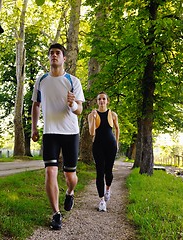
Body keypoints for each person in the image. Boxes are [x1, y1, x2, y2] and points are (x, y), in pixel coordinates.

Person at [31, 43, 85, 230]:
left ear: (64, 58)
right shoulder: (41, 80)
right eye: (52, 53)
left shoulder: (73, 81)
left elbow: (80, 110)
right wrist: (34, 128)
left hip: (70, 133)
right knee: (50, 171)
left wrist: (72, 105)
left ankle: (70, 192)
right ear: (49, 58)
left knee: (70, 175)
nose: (54, 56)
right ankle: (56, 214)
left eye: (58, 53)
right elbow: (36, 105)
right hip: (50, 132)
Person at [88, 92, 119, 212]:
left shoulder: (113, 114)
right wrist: (94, 118)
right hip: (98, 146)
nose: (101, 101)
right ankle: (101, 200)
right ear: (97, 101)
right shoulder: (92, 114)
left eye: (104, 99)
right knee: (100, 172)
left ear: (107, 101)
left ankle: (108, 189)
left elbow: (117, 128)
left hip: (111, 146)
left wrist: (117, 142)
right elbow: (91, 132)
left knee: (108, 172)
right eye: (99, 99)